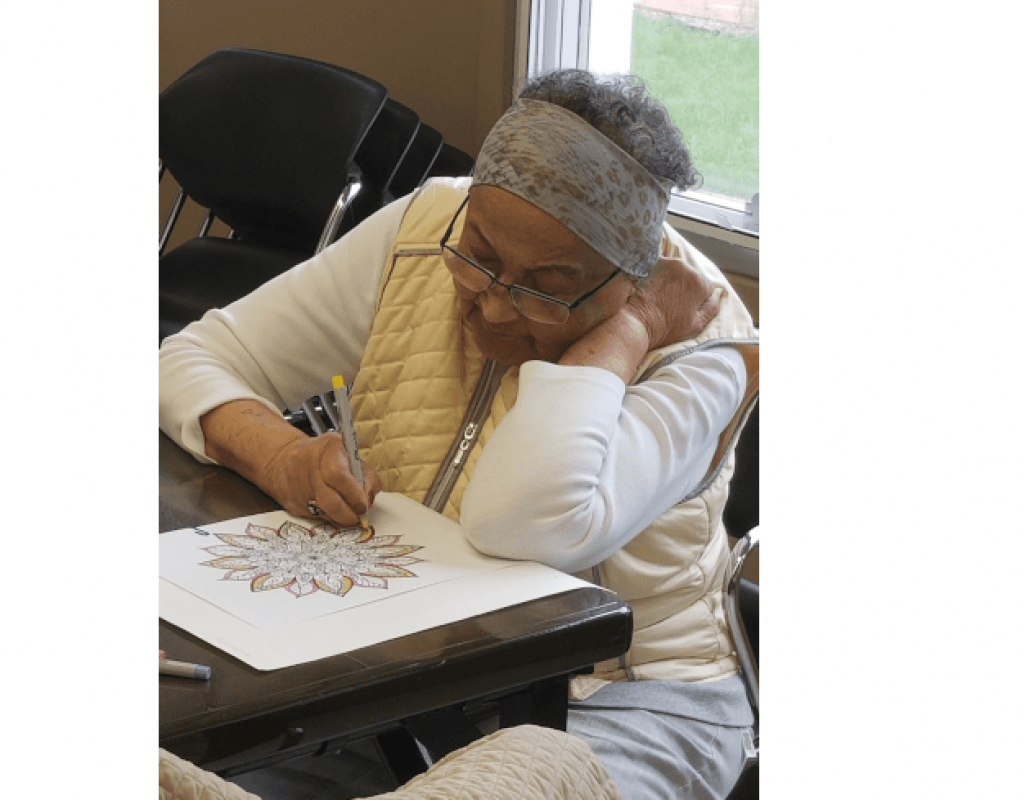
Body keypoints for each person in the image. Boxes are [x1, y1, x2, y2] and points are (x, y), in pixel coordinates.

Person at [159, 69, 759, 799]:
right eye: (479, 255)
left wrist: (625, 334)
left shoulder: (704, 345)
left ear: (632, 280)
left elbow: (528, 520)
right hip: (403, 674)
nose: (498, 309)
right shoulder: (423, 227)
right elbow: (188, 359)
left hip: (627, 697)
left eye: (547, 285)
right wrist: (281, 453)